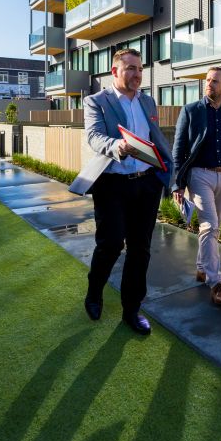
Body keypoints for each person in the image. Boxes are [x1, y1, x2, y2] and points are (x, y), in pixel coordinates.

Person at [69, 48, 172, 335]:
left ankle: (132, 310)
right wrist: (117, 146)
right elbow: (94, 137)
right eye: (130, 68)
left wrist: (166, 174)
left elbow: (154, 138)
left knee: (140, 249)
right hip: (112, 184)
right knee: (111, 244)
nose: (137, 74)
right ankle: (94, 292)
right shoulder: (96, 101)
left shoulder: (148, 101)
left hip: (146, 184)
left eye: (140, 69)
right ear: (114, 71)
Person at [172, 66, 221, 305]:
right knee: (209, 225)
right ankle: (216, 284)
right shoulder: (191, 110)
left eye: (214, 81)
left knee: (215, 227)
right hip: (199, 175)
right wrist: (177, 184)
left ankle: (201, 268)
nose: (209, 84)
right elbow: (179, 149)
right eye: (207, 80)